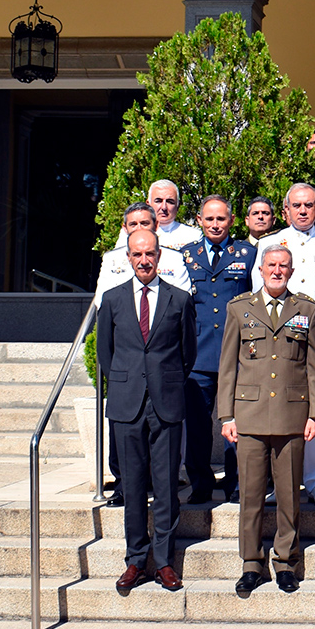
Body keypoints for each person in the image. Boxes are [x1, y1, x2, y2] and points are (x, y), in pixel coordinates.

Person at [219, 245, 315, 596]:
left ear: (291, 271)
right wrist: (226, 415)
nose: (277, 271)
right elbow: (228, 367)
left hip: (292, 416)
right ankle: (251, 563)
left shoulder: (307, 309)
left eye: (284, 266)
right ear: (261, 270)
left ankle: (285, 562)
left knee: (288, 495)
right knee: (250, 496)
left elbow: (314, 366)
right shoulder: (240, 308)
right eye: (271, 266)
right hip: (248, 416)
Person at [98, 229, 196, 593]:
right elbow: (106, 355)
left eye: (150, 254)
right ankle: (136, 561)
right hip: (127, 405)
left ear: (159, 257)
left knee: (167, 487)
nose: (144, 260)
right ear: (128, 257)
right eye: (137, 254)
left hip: (166, 404)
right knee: (134, 487)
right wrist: (127, 383)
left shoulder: (180, 299)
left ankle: (165, 562)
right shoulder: (112, 299)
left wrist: (164, 382)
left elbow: (188, 353)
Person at [255, 183, 315, 504]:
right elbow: (259, 300)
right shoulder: (269, 244)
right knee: (278, 410)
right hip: (280, 345)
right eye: (297, 205)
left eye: (309, 205)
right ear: (286, 210)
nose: (303, 210)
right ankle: (281, 482)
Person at [93, 202, 192, 508]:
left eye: (145, 222)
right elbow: (105, 327)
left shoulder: (174, 259)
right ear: (126, 229)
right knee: (126, 450)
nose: (140, 228)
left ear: (155, 226)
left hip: (163, 375)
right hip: (129, 376)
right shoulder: (112, 260)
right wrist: (123, 375)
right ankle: (123, 485)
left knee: (165, 466)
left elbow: (186, 343)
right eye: (133, 223)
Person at [181, 196, 257, 504]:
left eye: (221, 219)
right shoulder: (185, 256)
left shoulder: (248, 254)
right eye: (209, 219)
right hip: (198, 355)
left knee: (237, 425)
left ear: (232, 220)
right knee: (197, 425)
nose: (215, 224)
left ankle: (237, 483)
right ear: (199, 220)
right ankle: (200, 482)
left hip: (236, 355)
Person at [113, 179, 202, 250]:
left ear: (178, 206)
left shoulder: (193, 236)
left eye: (170, 202)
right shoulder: (131, 232)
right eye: (158, 201)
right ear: (148, 204)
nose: (164, 207)